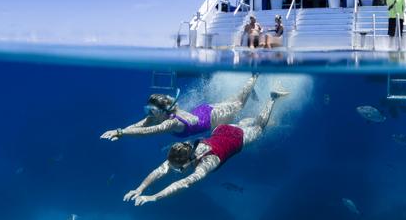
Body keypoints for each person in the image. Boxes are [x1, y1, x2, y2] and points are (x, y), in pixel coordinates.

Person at [124, 87, 290, 206]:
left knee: (259, 128)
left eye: (178, 169)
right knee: (243, 122)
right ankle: (254, 98)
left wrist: (154, 197)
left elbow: (184, 183)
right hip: (221, 129)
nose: (177, 171)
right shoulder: (185, 148)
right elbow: (160, 170)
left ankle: (272, 98)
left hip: (236, 138)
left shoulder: (206, 163)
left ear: (186, 161)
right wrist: (140, 189)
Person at [100, 74, 258, 141]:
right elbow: (139, 125)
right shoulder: (160, 114)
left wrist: (120, 132)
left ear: (163, 111)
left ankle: (254, 76)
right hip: (205, 110)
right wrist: (120, 132)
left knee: (239, 104)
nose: (149, 114)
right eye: (147, 110)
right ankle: (249, 85)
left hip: (213, 116)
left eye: (152, 111)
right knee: (235, 99)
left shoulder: (171, 123)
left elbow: (145, 131)